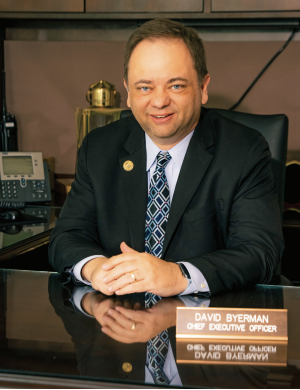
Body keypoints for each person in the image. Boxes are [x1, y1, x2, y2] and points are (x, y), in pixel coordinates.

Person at [49, 18, 284, 297]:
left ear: (203, 87)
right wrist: (97, 268)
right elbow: (66, 237)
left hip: (199, 329)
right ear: (128, 91)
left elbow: (261, 253)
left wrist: (177, 275)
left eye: (176, 86)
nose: (159, 101)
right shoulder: (99, 148)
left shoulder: (244, 151)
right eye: (144, 87)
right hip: (116, 323)